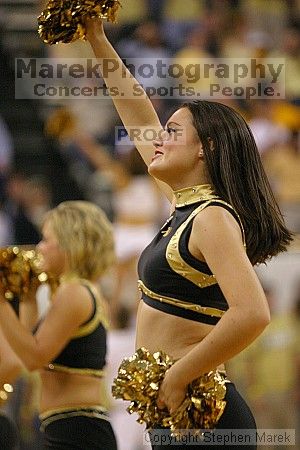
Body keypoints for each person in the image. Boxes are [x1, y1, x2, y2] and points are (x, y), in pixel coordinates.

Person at [85, 18, 293, 450]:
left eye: (173, 133)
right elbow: (138, 112)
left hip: (201, 411)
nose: (159, 139)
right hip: (178, 406)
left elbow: (252, 313)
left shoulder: (212, 216)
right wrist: (97, 41)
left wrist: (178, 376)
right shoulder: (186, 206)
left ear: (206, 147)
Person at [0, 200, 118, 450]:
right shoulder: (74, 292)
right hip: (66, 426)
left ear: (69, 244)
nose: (39, 248)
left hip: (78, 429)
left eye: (46, 240)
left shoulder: (74, 293)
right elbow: (24, 353)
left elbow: (34, 358)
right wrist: (29, 296)